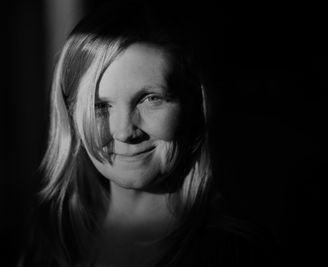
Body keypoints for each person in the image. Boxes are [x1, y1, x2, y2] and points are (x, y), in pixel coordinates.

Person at [19, 1, 283, 266]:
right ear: (71, 115)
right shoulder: (49, 240)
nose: (124, 131)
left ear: (194, 104)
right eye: (99, 106)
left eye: (151, 98)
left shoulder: (238, 254)